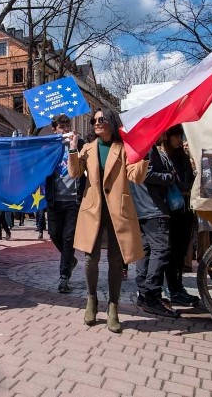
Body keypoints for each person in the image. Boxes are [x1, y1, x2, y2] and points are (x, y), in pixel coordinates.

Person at [68, 108, 149, 334]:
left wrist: (144, 153)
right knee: (90, 259)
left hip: (118, 212)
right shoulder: (88, 148)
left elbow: (137, 176)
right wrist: (73, 149)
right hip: (93, 211)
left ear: (112, 122)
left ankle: (113, 307)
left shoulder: (123, 149)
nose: (96, 122)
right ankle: (91, 300)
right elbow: (74, 173)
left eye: (101, 119)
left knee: (116, 261)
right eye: (94, 120)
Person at [130, 141, 180, 319]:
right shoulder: (147, 146)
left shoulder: (133, 145)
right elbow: (147, 174)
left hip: (139, 207)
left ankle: (144, 294)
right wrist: (170, 177)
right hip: (152, 207)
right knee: (160, 250)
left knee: (145, 251)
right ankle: (152, 295)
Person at [45, 114, 86, 294]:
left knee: (69, 238)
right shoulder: (49, 147)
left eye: (67, 124)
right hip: (55, 199)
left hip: (73, 200)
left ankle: (64, 277)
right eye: (61, 126)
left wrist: (75, 145)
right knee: (54, 234)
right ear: (54, 129)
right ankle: (70, 260)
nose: (66, 128)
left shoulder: (80, 144)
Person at [162, 125, 200, 307]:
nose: (179, 139)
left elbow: (190, 181)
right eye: (176, 136)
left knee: (181, 251)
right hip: (171, 212)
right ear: (168, 138)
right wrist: (186, 187)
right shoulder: (165, 157)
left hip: (186, 211)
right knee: (172, 251)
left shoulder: (184, 157)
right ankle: (172, 289)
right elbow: (174, 183)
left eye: (180, 136)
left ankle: (178, 287)